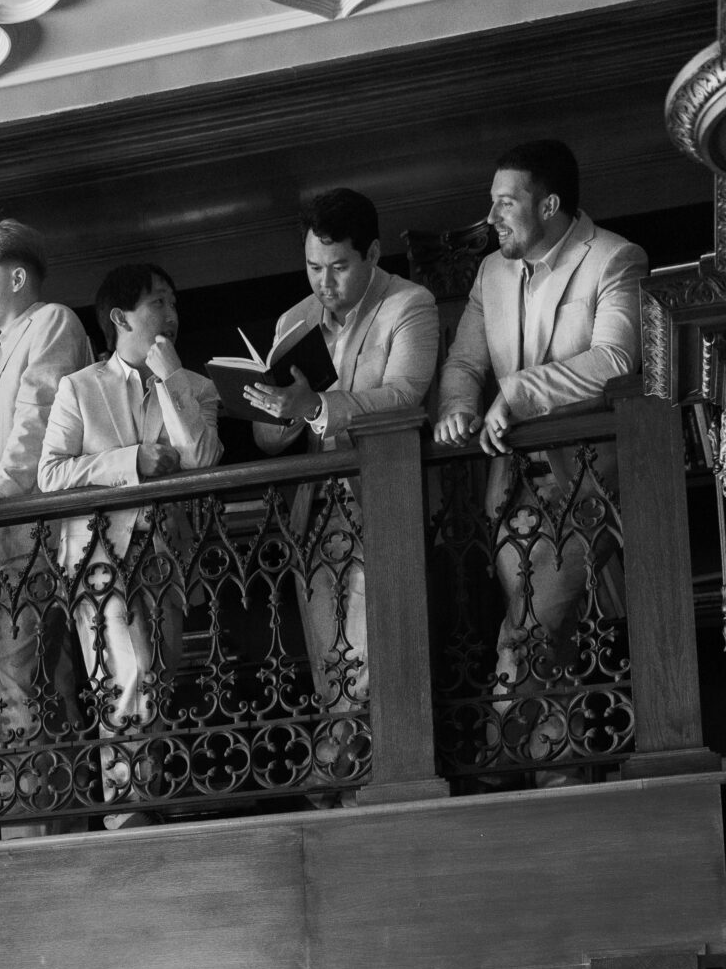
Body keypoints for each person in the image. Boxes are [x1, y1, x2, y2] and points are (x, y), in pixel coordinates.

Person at [432, 140, 645, 773]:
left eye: (505, 202)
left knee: (526, 629)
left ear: (548, 204)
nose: (491, 217)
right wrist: (456, 409)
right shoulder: (491, 274)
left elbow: (615, 361)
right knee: (536, 628)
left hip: (585, 483)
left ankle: (513, 766)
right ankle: (559, 768)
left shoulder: (613, 258)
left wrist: (519, 392)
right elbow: (466, 362)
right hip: (510, 488)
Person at [247, 191, 439, 779]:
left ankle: (347, 778)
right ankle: (342, 774)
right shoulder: (294, 320)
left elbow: (405, 397)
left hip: (382, 504)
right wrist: (276, 411)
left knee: (373, 660)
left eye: (337, 267)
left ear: (373, 253)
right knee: (330, 664)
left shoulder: (411, 303)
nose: (322, 283)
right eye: (311, 267)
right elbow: (268, 439)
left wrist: (315, 406)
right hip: (315, 512)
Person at [39, 262, 221, 826]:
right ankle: (126, 814)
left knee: (156, 676)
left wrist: (170, 381)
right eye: (157, 304)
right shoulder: (79, 387)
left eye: (173, 302)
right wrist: (129, 463)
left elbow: (202, 458)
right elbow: (50, 473)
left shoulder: (197, 386)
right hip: (97, 555)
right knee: (126, 671)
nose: (170, 314)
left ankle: (146, 798)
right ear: (120, 318)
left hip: (165, 553)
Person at [0, 220, 92, 834]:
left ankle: (28, 831)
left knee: (18, 682)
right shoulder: (6, 349)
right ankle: (48, 826)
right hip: (8, 542)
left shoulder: (52, 320)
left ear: (15, 276)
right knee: (27, 683)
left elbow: (40, 415)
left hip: (32, 536)